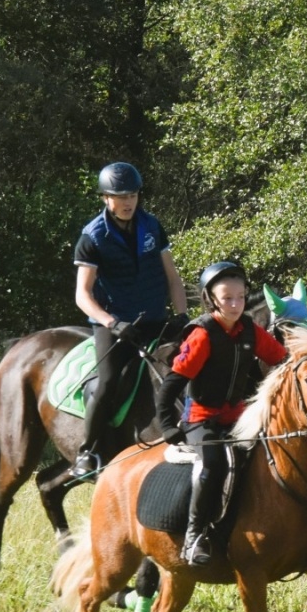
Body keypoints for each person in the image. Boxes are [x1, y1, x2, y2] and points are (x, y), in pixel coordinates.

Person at [156, 262, 288, 565]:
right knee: (212, 465)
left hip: (239, 418)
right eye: (227, 298)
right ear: (211, 299)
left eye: (240, 297)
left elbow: (281, 360)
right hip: (202, 419)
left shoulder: (251, 331)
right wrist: (166, 425)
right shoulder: (202, 335)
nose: (235, 304)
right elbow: (172, 385)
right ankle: (194, 537)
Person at [71, 162, 189, 477]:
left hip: (156, 318)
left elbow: (173, 278)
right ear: (105, 198)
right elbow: (82, 295)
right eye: (120, 196)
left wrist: (182, 315)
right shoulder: (92, 236)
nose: (128, 202)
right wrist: (111, 323)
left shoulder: (152, 226)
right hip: (116, 325)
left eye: (133, 195)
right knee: (108, 382)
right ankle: (87, 452)